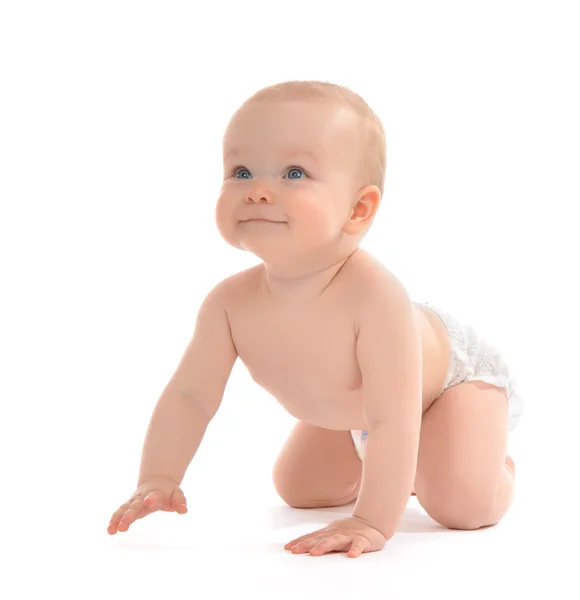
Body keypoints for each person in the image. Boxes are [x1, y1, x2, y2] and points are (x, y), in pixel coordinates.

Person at [107, 80, 524, 558]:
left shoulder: (375, 296)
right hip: (363, 415)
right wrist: (159, 476)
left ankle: (492, 463)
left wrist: (372, 521)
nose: (259, 190)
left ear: (358, 209)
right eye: (241, 171)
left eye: (294, 172)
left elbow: (393, 417)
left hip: (448, 385)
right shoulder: (228, 303)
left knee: (460, 504)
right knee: (300, 488)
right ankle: (412, 465)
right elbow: (190, 396)